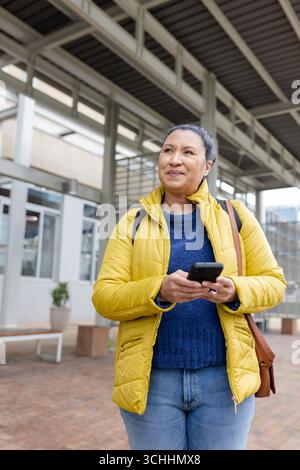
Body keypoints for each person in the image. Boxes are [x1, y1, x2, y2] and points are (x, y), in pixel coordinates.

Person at [92, 124, 286, 450]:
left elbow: (274, 283)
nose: (174, 159)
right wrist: (159, 291)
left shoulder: (234, 216)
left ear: (207, 166)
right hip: (151, 382)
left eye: (188, 152)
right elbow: (104, 296)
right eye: (168, 150)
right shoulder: (133, 221)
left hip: (223, 384)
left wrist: (235, 290)